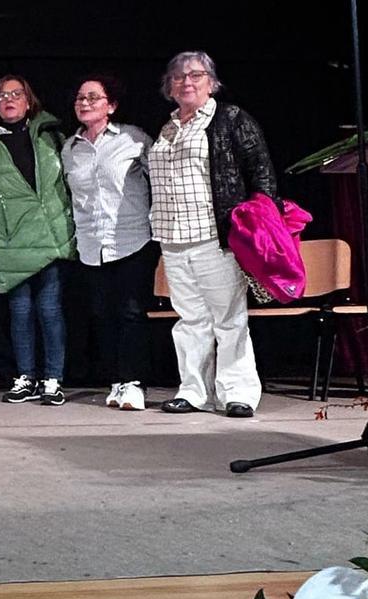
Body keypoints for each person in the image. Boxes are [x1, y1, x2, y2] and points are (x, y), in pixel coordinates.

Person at [149, 51, 273, 418]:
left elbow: (261, 172)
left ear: (212, 82)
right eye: (179, 77)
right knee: (190, 320)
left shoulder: (231, 119)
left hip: (213, 236)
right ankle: (192, 391)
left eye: (196, 75)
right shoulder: (168, 126)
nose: (187, 82)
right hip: (172, 237)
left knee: (229, 318)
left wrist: (256, 223)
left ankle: (238, 393)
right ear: (169, 87)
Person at [0, 74, 76, 406]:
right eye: (2, 96)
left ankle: (53, 379)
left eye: (16, 94)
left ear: (29, 101)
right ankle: (25, 376)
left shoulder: (52, 137)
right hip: (10, 242)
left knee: (50, 310)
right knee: (21, 312)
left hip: (51, 239)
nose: (9, 100)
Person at [61, 75, 157, 411]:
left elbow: (159, 182)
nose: (84, 102)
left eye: (93, 97)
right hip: (90, 244)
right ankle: (116, 381)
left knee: (131, 312)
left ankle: (134, 382)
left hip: (132, 239)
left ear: (111, 105)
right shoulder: (70, 149)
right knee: (102, 315)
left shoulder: (133, 139)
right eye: (80, 97)